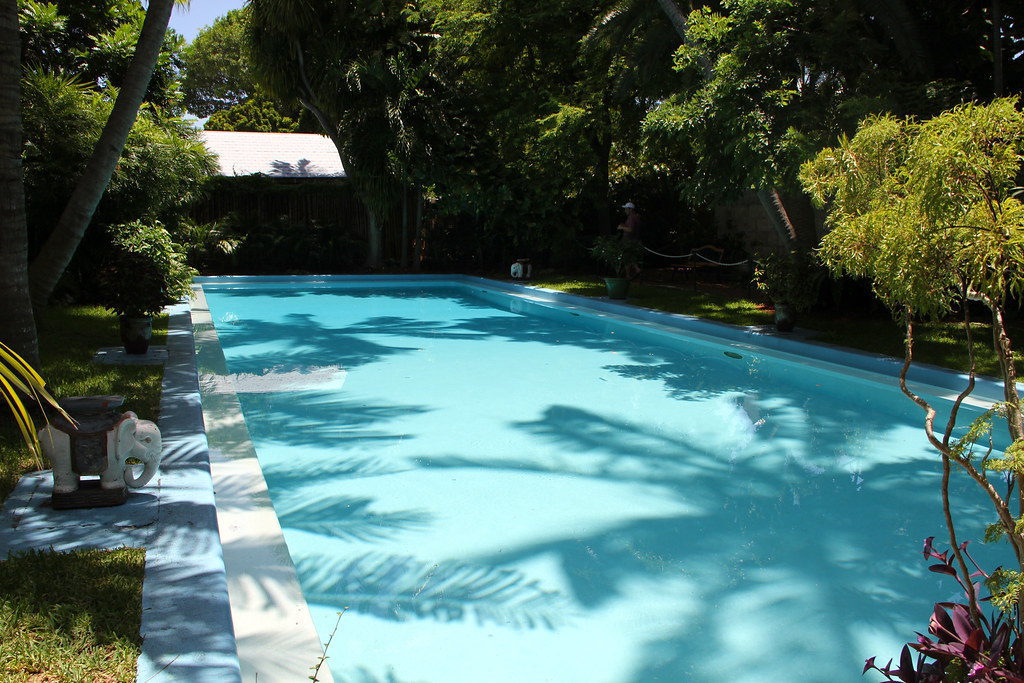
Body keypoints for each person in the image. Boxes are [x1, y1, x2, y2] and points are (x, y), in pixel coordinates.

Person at [617, 202, 642, 278]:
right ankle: (629, 274)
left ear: (630, 209)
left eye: (626, 208)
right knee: (628, 257)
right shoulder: (634, 217)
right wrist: (624, 225)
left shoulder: (631, 217)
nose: (625, 210)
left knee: (627, 257)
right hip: (632, 241)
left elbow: (630, 229)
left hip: (630, 241)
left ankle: (635, 270)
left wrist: (621, 227)